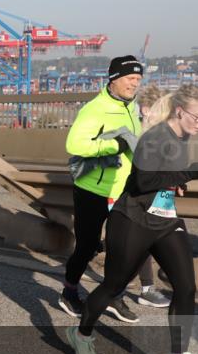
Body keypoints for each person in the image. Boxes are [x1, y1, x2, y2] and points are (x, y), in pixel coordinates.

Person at [66, 84, 198, 354]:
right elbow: (142, 182)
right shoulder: (154, 138)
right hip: (133, 220)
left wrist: (180, 181)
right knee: (114, 285)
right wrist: (192, 172)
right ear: (180, 112)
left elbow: (166, 175)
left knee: (185, 287)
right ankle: (81, 333)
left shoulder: (183, 135)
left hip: (164, 219)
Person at [59, 55, 143, 323]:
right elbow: (75, 145)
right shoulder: (94, 110)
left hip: (123, 190)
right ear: (114, 79)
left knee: (124, 248)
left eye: (138, 79)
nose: (135, 84)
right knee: (86, 247)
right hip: (93, 190)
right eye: (130, 78)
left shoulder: (132, 107)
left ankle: (112, 297)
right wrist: (113, 146)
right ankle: (69, 292)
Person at [132, 84, 172, 308]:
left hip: (162, 193)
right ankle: (146, 288)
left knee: (161, 235)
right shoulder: (137, 133)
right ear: (146, 110)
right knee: (145, 239)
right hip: (141, 196)